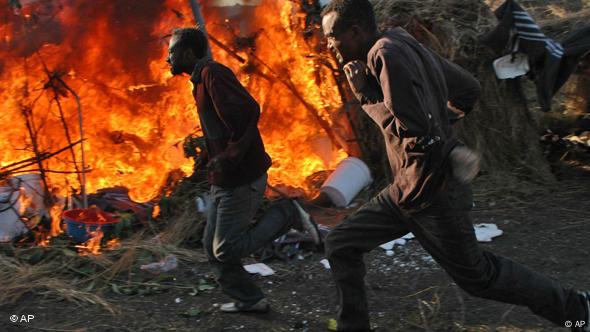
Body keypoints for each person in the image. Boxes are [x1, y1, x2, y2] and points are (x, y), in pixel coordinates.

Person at [320, 1, 589, 331]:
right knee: (341, 243)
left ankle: (577, 310)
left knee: (479, 277)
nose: (330, 45)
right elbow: (468, 89)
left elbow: (413, 128)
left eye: (333, 37)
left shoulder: (383, 54)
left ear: (355, 30)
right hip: (406, 191)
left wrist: (365, 95)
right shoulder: (402, 41)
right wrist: (443, 122)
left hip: (434, 194)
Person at [167, 26, 320, 313]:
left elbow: (249, 111)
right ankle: (250, 299)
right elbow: (224, 127)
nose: (167, 58)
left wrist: (231, 155)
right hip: (224, 179)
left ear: (187, 52)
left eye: (171, 51)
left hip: (242, 178)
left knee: (225, 249)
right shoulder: (199, 81)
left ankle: (287, 214)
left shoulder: (213, 74)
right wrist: (209, 156)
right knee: (211, 247)